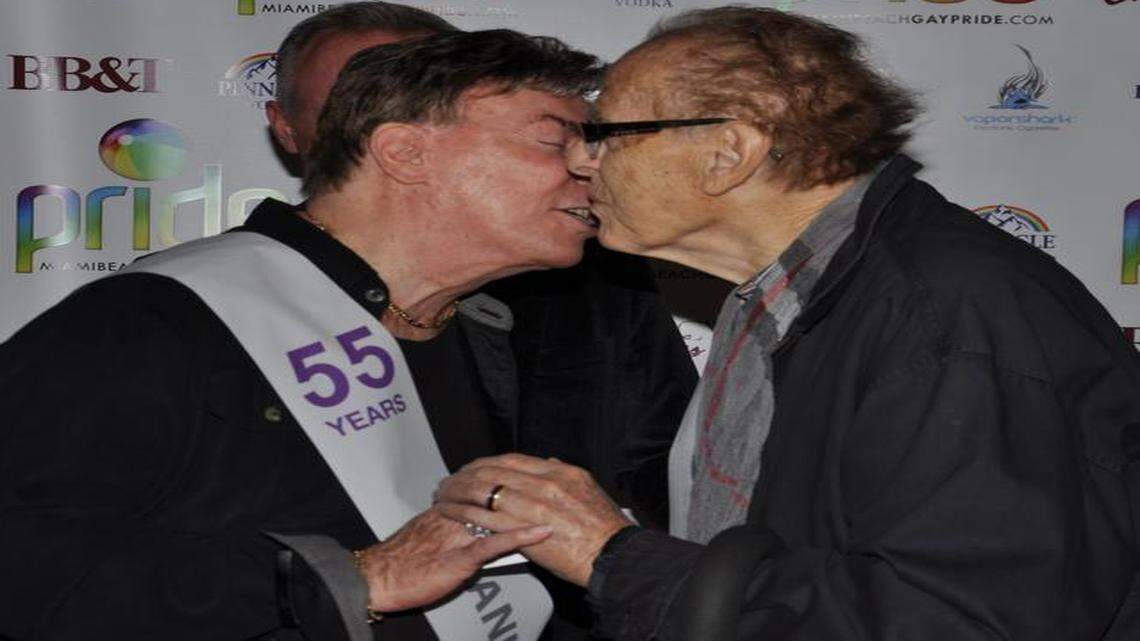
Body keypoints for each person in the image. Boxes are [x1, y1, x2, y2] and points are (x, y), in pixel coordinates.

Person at [435, 7, 1140, 640]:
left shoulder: (943, 317)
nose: (581, 162)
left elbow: (957, 619)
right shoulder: (789, 297)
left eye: (607, 135)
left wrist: (614, 555)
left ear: (727, 152)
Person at [0, 28, 691, 641]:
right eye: (555, 140)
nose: (590, 166)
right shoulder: (149, 324)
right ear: (404, 152)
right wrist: (347, 577)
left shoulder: (482, 325)